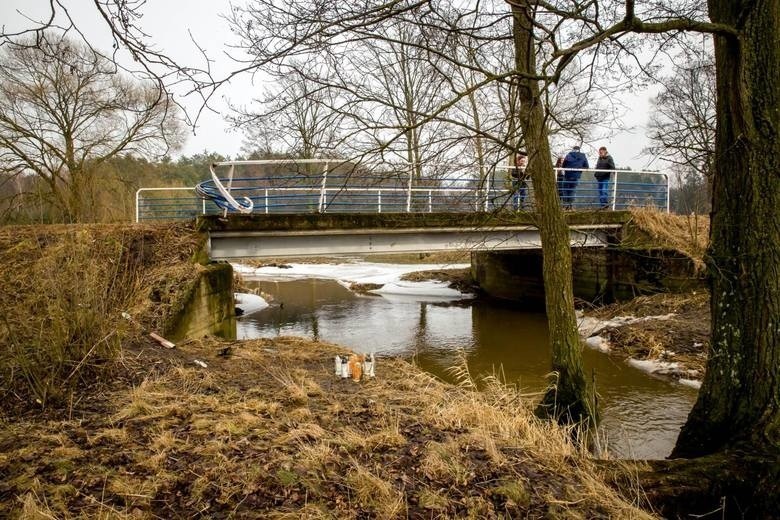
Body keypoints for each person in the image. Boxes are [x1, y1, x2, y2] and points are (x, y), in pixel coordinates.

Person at [560, 145, 588, 209]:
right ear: (579, 150)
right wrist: (579, 169)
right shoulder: (583, 156)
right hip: (576, 176)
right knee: (572, 191)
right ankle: (570, 205)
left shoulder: (568, 155)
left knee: (565, 190)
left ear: (573, 149)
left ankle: (566, 205)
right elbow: (586, 166)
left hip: (567, 175)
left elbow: (563, 165)